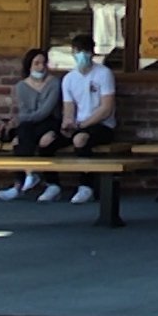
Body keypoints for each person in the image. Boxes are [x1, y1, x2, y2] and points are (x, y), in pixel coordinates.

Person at [39, 33, 117, 204]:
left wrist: (82, 125)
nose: (81, 55)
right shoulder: (69, 79)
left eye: (85, 51)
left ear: (91, 53)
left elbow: (106, 108)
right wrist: (67, 124)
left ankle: (86, 186)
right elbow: (69, 108)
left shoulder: (104, 74)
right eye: (77, 51)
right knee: (46, 141)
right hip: (78, 124)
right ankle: (52, 184)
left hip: (101, 125)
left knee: (80, 139)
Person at [0, 48, 62, 200]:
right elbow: (25, 111)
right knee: (18, 139)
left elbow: (45, 111)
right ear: (29, 66)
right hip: (30, 124)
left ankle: (44, 181)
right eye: (36, 63)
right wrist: (18, 121)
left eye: (44, 63)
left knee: (41, 140)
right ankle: (26, 177)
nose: (41, 67)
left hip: (50, 121)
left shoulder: (54, 83)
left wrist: (19, 120)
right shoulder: (21, 86)